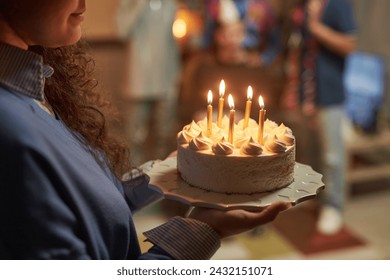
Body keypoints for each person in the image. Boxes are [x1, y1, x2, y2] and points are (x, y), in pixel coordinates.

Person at [0, 0, 290, 259]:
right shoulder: (12, 134)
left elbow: (94, 206)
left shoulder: (35, 87)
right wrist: (204, 228)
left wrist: (175, 169)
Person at [289, 0, 357, 234]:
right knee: (311, 150)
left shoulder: (338, 4)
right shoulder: (303, 5)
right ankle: (317, 197)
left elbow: (351, 44)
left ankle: (334, 205)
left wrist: (318, 28)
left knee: (333, 156)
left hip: (330, 92)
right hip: (307, 90)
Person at [116, 0, 181, 165]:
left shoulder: (170, 5)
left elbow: (174, 42)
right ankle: (133, 176)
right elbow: (122, 31)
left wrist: (176, 74)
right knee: (134, 135)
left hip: (166, 77)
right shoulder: (129, 3)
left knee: (164, 135)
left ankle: (162, 176)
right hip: (138, 78)